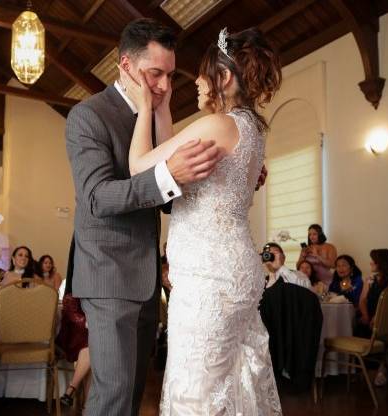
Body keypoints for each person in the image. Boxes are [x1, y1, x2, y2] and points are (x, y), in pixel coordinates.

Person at [64, 18, 230, 416]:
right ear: (125, 65)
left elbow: (170, 200)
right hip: (108, 277)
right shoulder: (88, 117)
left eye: (170, 75)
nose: (163, 86)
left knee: (134, 394)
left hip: (147, 282)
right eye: (155, 74)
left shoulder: (158, 117)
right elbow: (97, 197)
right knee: (113, 397)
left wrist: (227, 173)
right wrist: (169, 174)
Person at [120, 23, 282, 414]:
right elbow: (174, 158)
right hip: (237, 270)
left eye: (203, 74)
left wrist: (145, 106)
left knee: (197, 389)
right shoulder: (251, 129)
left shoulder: (217, 124)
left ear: (223, 77)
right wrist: (162, 109)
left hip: (210, 280)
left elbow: (141, 165)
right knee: (233, 379)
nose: (196, 82)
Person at [355, 248, 388, 386]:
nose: (371, 263)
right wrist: (365, 314)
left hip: (387, 317)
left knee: (384, 332)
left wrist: (378, 317)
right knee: (356, 325)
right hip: (370, 315)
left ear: (381, 263)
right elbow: (363, 300)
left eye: (374, 261)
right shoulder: (370, 279)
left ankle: (385, 366)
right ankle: (360, 369)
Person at [56, 236, 91, 409]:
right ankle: (78, 396)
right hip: (71, 335)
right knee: (92, 342)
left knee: (94, 342)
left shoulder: (93, 287)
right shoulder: (70, 290)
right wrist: (89, 322)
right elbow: (74, 318)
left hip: (87, 335)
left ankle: (73, 393)